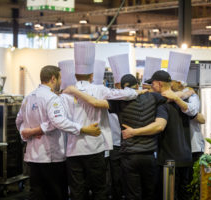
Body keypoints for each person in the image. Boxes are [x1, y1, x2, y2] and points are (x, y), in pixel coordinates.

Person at [61, 42, 144, 200]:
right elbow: (127, 94)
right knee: (100, 189)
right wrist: (138, 91)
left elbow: (61, 122)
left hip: (73, 149)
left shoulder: (66, 94)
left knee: (77, 191)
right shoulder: (99, 90)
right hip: (95, 148)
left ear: (75, 75)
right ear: (92, 75)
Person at [15, 65, 102, 200]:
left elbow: (19, 122)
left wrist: (29, 132)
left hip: (32, 157)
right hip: (51, 156)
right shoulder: (51, 98)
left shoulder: (28, 97)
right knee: (56, 194)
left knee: (36, 193)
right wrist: (84, 129)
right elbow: (58, 121)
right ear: (53, 78)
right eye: (60, 78)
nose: (61, 82)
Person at [122, 70, 193, 200]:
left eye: (152, 84)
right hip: (186, 157)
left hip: (169, 160)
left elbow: (159, 126)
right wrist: (188, 92)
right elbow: (201, 118)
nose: (151, 87)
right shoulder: (184, 102)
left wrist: (134, 131)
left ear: (159, 84)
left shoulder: (162, 105)